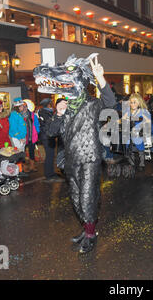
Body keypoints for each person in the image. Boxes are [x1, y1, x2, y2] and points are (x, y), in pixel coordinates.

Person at [39, 54, 116, 254]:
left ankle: (90, 235)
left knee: (87, 197)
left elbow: (110, 103)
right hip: (70, 159)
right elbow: (51, 132)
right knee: (75, 198)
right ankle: (87, 229)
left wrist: (100, 79)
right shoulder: (64, 107)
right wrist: (58, 114)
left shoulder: (93, 104)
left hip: (90, 157)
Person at [122, 93, 152, 170]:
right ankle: (131, 163)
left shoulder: (143, 111)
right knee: (130, 148)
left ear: (139, 102)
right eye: (131, 102)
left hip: (140, 133)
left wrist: (138, 120)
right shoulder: (128, 112)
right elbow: (122, 119)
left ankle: (141, 163)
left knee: (140, 149)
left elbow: (148, 120)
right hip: (129, 133)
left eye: (134, 102)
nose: (132, 104)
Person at [38, 98, 63, 182]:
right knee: (49, 156)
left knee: (51, 156)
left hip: (49, 136)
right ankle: (49, 175)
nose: (52, 104)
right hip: (47, 137)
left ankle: (51, 173)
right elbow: (48, 124)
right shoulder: (44, 113)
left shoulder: (48, 112)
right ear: (48, 104)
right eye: (51, 103)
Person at [8, 97, 28, 176]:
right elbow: (13, 128)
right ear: (18, 106)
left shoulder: (18, 114)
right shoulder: (13, 115)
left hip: (21, 138)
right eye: (22, 106)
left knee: (20, 155)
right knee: (17, 155)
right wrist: (20, 138)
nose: (23, 107)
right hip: (17, 138)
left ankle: (20, 170)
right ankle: (16, 172)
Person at [21, 99, 40, 173]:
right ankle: (24, 166)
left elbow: (36, 124)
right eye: (22, 106)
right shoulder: (19, 115)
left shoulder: (32, 114)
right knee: (22, 152)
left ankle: (32, 166)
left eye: (25, 106)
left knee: (32, 151)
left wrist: (37, 132)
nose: (24, 108)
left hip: (31, 136)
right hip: (23, 137)